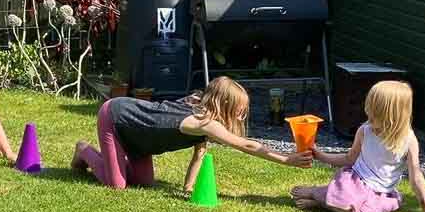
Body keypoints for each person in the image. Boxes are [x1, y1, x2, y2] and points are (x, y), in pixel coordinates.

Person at [71, 76, 312, 191]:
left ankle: (117, 159)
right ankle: (84, 150)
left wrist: (188, 188)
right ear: (224, 104)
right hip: (117, 117)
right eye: (239, 110)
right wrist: (287, 159)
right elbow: (246, 145)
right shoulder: (203, 121)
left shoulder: (205, 118)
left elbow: (199, 155)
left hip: (139, 138)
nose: (242, 115)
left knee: (144, 183)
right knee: (117, 186)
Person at [290, 81, 425, 212]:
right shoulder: (365, 130)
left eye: (374, 113)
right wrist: (321, 156)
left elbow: (416, 177)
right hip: (356, 181)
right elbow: (349, 158)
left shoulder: (409, 140)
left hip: (382, 192)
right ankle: (316, 193)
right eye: (369, 109)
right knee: (345, 204)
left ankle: (323, 201)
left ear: (392, 116)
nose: (368, 115)